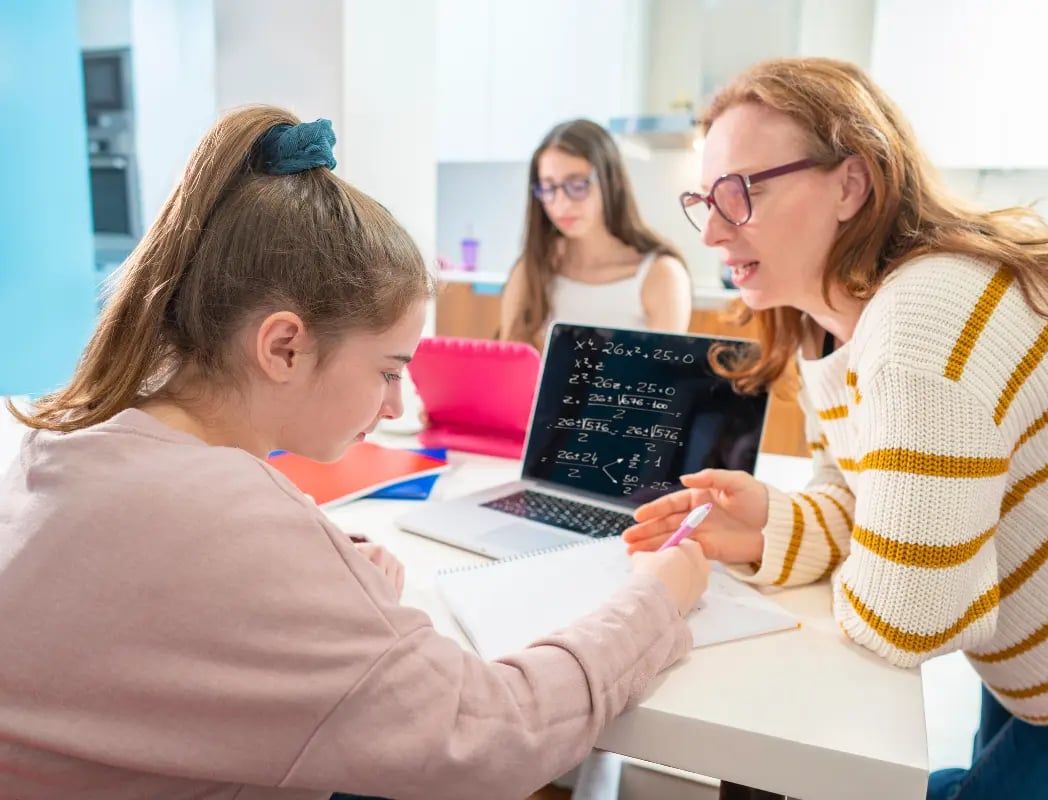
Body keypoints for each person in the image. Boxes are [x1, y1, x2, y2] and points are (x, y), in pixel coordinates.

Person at [0, 106, 710, 800]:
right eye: (388, 370)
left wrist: (312, 594)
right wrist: (657, 598)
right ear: (284, 346)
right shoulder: (230, 517)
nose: (397, 406)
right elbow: (496, 736)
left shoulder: (62, 443)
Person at [623, 58, 1048, 800]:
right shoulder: (829, 325)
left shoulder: (924, 317)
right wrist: (775, 526)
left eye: (741, 193)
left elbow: (910, 619)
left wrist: (860, 548)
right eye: (705, 198)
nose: (710, 231)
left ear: (850, 185)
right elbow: (856, 490)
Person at [500, 118, 691, 349]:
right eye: (549, 187)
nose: (561, 204)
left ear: (611, 182)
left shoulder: (661, 274)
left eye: (577, 185)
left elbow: (663, 376)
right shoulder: (531, 269)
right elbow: (512, 366)